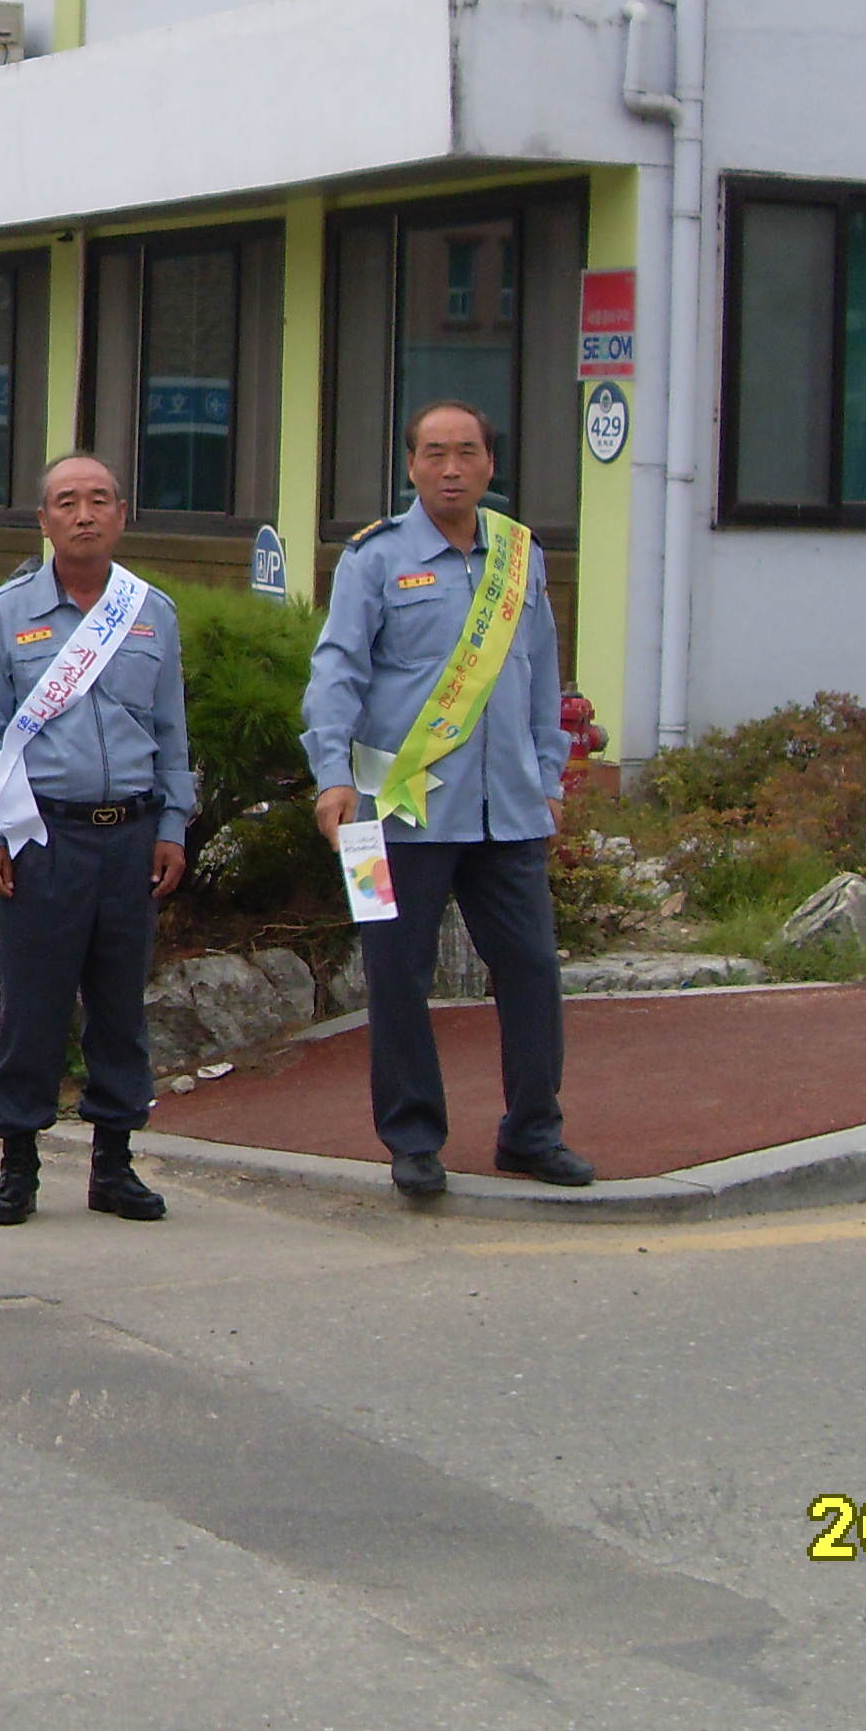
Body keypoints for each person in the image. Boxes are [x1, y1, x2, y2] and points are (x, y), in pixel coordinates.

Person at [303, 401, 594, 1196]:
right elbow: (336, 672)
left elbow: (542, 674)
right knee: (394, 974)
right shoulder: (372, 558)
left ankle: (532, 1132)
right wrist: (331, 774)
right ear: (410, 466)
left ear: (490, 464)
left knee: (532, 969)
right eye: (434, 453)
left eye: (467, 452)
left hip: (509, 811)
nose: (452, 469)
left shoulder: (519, 555)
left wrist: (549, 777)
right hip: (388, 810)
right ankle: (412, 1140)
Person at [0, 456, 194, 1227]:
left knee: (120, 1007)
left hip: (129, 837)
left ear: (121, 514)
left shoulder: (150, 612)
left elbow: (171, 734)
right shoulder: (4, 616)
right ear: (44, 520)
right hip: (42, 838)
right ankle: (17, 1164)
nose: (83, 515)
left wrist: (172, 825)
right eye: (66, 502)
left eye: (98, 501)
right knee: (33, 1005)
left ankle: (114, 1166)